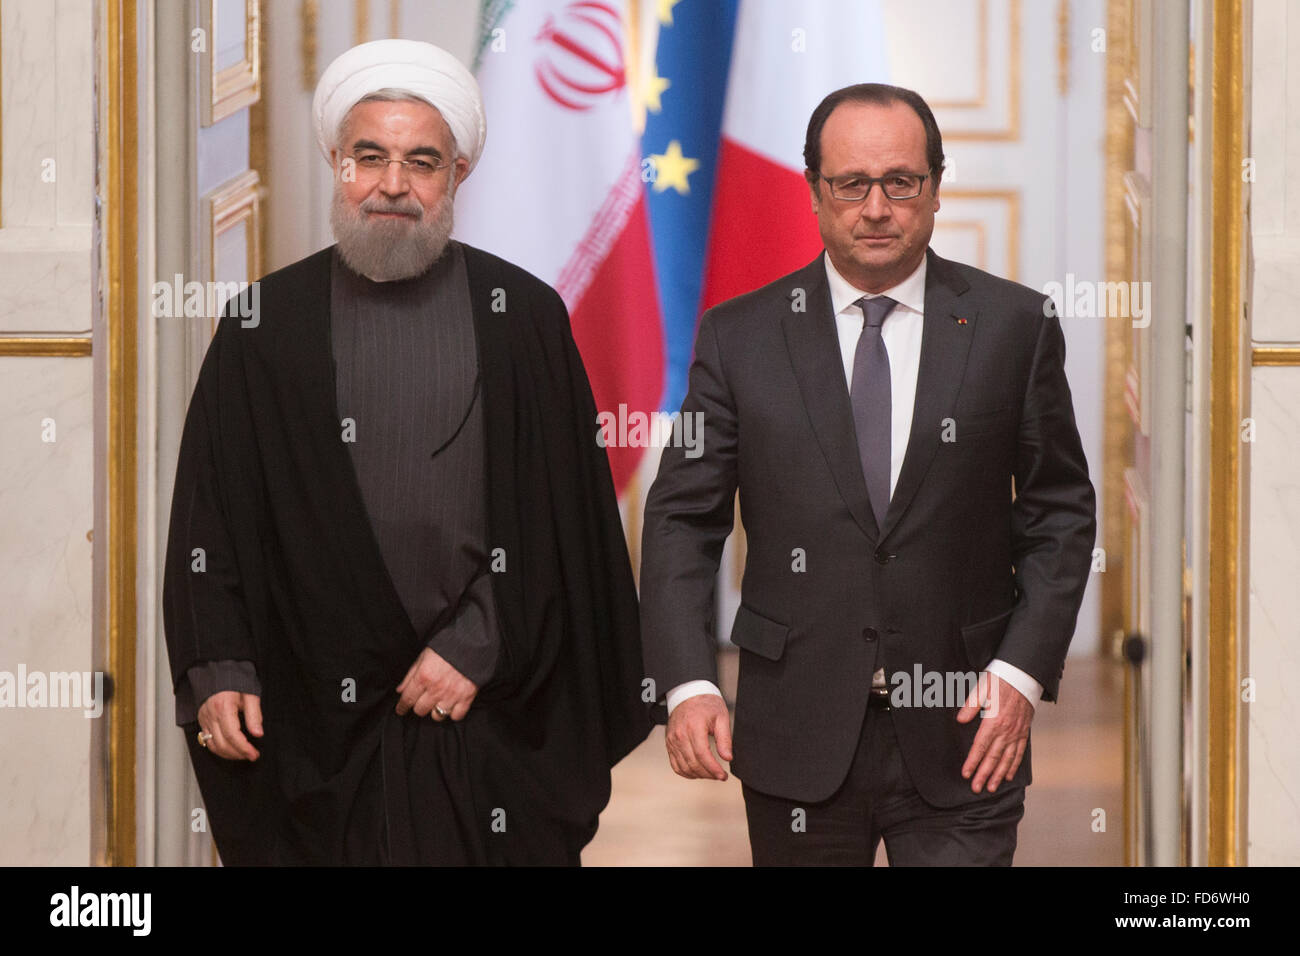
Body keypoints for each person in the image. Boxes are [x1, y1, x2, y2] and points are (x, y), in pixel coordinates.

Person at [163, 39, 650, 866]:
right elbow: (213, 513)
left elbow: (562, 525)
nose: (393, 184)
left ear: (457, 176)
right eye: (370, 158)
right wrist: (218, 664)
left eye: (422, 163)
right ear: (336, 164)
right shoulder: (263, 325)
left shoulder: (523, 319)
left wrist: (480, 641)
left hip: (484, 712)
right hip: (312, 718)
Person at [639, 83, 1097, 866]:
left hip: (967, 730)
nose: (876, 207)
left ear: (936, 188)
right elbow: (683, 518)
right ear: (815, 191)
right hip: (794, 734)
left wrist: (1021, 672)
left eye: (900, 182)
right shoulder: (739, 337)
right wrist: (687, 683)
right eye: (851, 183)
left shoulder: (1014, 327)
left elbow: (1059, 512)